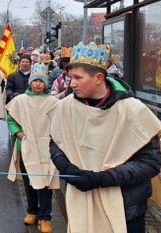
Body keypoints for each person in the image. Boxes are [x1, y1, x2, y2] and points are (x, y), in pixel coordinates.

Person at [49, 42, 161, 233]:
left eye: (77, 77)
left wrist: (102, 178)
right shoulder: (65, 107)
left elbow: (150, 163)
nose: (72, 83)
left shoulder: (132, 109)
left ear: (99, 78)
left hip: (127, 207)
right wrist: (68, 169)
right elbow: (56, 144)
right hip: (81, 201)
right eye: (70, 77)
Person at [7, 64, 59, 233]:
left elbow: (60, 122)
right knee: (30, 182)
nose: (38, 84)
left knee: (45, 183)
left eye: (41, 81)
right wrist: (18, 133)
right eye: (35, 80)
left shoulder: (54, 102)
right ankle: (32, 211)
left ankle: (45, 217)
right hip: (26, 148)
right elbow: (11, 119)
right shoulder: (20, 100)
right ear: (30, 82)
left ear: (46, 84)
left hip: (46, 149)